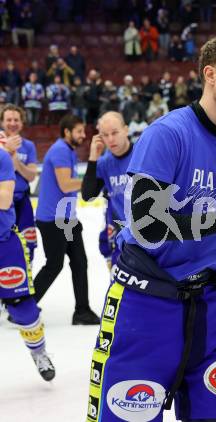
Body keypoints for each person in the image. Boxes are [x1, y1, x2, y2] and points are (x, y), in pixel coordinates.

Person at [86, 30, 216, 422]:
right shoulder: (169, 134)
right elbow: (145, 223)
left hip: (212, 307)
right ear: (210, 74)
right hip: (145, 304)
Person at [32, 114, 100, 325]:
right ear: (67, 132)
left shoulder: (67, 150)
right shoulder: (60, 150)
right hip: (53, 220)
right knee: (54, 265)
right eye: (79, 131)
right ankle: (24, 307)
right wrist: (92, 180)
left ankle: (82, 310)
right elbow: (65, 184)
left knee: (80, 262)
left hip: (67, 218)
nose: (83, 135)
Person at [0, 137, 55, 381]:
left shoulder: (1, 157)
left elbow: (4, 199)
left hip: (4, 241)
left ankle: (39, 352)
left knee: (22, 306)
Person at [81, 111, 133, 268]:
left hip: (150, 233)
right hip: (124, 238)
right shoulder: (104, 163)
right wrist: (93, 158)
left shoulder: (143, 153)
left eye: (115, 133)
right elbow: (88, 196)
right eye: (105, 135)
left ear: (126, 130)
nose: (110, 139)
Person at [1, 105, 38, 261]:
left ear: (22, 123)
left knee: (28, 245)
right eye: (8, 119)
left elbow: (31, 175)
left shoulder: (28, 146)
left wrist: (16, 160)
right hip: (2, 205)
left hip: (22, 201)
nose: (13, 123)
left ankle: (25, 279)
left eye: (16, 119)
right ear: (2, 122)